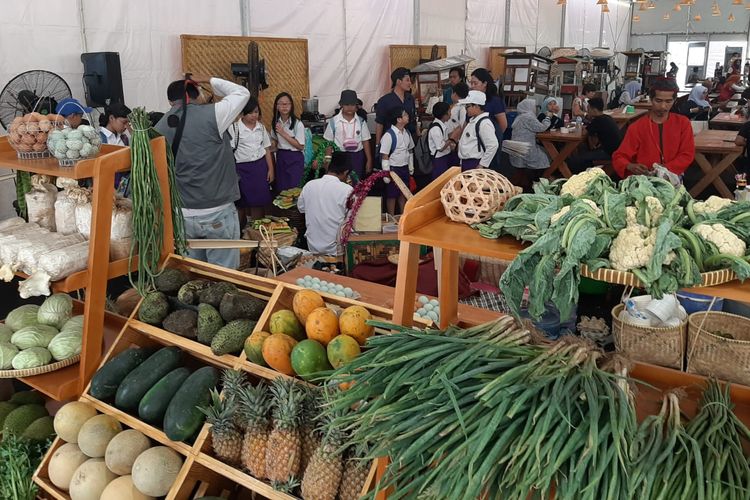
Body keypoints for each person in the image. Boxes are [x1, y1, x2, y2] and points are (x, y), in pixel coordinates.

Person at [155, 75, 250, 269]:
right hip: (217, 211)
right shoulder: (213, 115)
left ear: (170, 102)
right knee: (223, 276)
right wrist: (209, 80)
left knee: (193, 274)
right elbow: (242, 92)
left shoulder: (158, 128)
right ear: (196, 92)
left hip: (182, 213)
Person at [612, 78, 694, 179]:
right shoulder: (637, 127)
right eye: (658, 101)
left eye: (668, 101)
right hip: (644, 179)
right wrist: (630, 166)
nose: (663, 106)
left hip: (673, 176)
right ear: (651, 99)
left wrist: (666, 168)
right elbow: (619, 156)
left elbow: (687, 154)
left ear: (675, 100)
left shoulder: (683, 123)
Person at [229, 97, 274, 227]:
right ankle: (240, 232)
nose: (254, 115)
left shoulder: (261, 128)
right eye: (250, 112)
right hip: (242, 169)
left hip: (259, 168)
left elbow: (267, 149)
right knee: (241, 202)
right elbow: (229, 151)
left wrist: (271, 170)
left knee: (259, 201)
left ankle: (257, 230)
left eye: (256, 112)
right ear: (242, 113)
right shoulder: (235, 128)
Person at [297, 151, 353, 256]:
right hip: (336, 249)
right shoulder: (347, 190)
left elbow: (301, 208)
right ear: (345, 172)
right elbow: (353, 218)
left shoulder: (309, 185)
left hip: (312, 246)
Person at [323, 90, 372, 180]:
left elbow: (365, 141)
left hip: (357, 156)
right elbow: (329, 143)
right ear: (341, 105)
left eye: (353, 105)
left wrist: (369, 160)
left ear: (356, 106)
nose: (350, 108)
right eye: (347, 105)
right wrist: (327, 159)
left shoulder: (360, 121)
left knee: (356, 182)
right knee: (339, 182)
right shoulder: (334, 121)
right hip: (339, 156)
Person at [568, 98, 622, 173]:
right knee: (585, 152)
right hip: (616, 150)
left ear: (594, 110)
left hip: (609, 153)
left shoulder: (597, 120)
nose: (587, 112)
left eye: (588, 109)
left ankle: (574, 176)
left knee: (578, 158)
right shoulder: (607, 118)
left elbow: (583, 133)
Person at [380, 106, 414, 216]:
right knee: (392, 195)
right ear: (399, 119)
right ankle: (391, 217)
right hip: (393, 169)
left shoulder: (407, 133)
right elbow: (385, 155)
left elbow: (409, 150)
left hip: (404, 167)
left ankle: (403, 215)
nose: (407, 116)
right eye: (405, 115)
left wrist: (411, 166)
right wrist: (386, 173)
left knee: (403, 193)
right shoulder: (389, 135)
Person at [509, 98, 550, 185]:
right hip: (525, 149)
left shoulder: (519, 117)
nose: (535, 108)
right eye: (534, 106)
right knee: (545, 155)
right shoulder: (528, 117)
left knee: (520, 170)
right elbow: (542, 128)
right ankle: (539, 180)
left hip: (515, 148)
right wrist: (548, 118)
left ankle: (526, 182)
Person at [271, 92, 306, 192]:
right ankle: (282, 207)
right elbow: (275, 140)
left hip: (295, 157)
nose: (284, 106)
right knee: (282, 187)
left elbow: (300, 146)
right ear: (276, 106)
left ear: (291, 106)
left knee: (294, 187)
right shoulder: (275, 122)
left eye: (287, 103)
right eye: (281, 104)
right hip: (281, 156)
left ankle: (295, 208)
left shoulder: (298, 124)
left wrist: (283, 133)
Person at [457, 90, 499, 171]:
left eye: (467, 106)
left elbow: (493, 145)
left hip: (475, 163)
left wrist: (482, 165)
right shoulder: (473, 120)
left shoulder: (484, 123)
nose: (466, 109)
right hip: (466, 162)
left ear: (476, 106)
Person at [375, 67, 418, 145]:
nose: (410, 83)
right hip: (392, 141)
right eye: (407, 80)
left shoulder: (410, 98)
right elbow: (379, 123)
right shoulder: (384, 101)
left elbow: (413, 117)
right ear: (398, 81)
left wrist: (417, 133)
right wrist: (377, 144)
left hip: (409, 139)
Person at [470, 68, 508, 140]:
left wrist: (493, 138)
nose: (472, 86)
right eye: (471, 83)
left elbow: (503, 124)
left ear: (485, 83)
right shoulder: (471, 100)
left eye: (475, 83)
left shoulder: (494, 101)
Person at [427, 102, 453, 180]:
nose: (450, 114)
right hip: (439, 160)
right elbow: (440, 147)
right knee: (440, 181)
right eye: (449, 112)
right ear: (444, 114)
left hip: (445, 157)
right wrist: (452, 138)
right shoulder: (436, 128)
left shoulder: (441, 125)